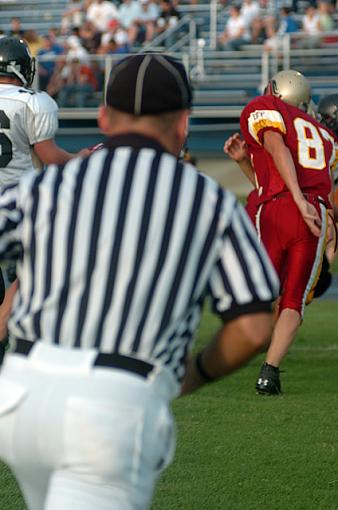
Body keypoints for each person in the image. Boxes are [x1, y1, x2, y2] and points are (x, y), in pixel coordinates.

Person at [0, 52, 279, 510]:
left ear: (104, 116)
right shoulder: (205, 199)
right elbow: (252, 325)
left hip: (22, 394)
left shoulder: (46, 187)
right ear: (184, 123)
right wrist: (195, 374)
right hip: (110, 403)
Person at [238, 69, 336, 395]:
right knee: (293, 299)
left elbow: (276, 146)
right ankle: (270, 373)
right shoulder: (327, 136)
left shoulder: (265, 107)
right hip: (314, 213)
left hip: (278, 208)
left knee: (262, 290)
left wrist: (295, 196)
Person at [0, 36, 90, 361]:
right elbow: (49, 156)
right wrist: (81, 157)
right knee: (28, 278)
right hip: (15, 206)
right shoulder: (33, 101)